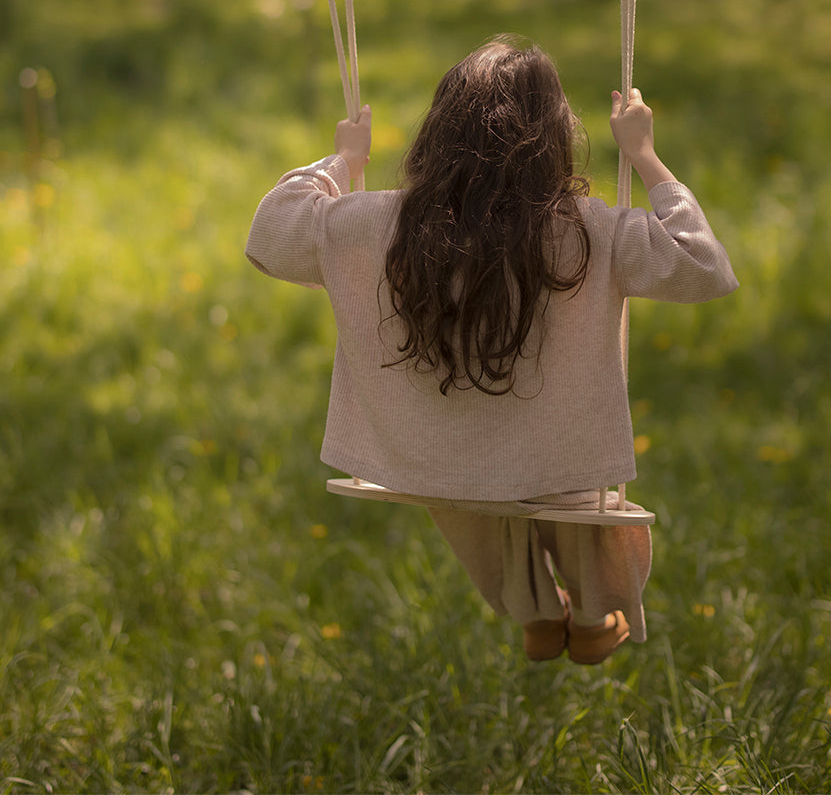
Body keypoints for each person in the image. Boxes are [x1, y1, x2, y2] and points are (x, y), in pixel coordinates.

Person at [246, 39, 737, 663]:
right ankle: (590, 618)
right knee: (579, 506)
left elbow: (271, 232)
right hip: (559, 460)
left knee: (472, 495)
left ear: (438, 134)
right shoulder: (590, 230)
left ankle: (535, 615)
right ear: (555, 138)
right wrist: (644, 156)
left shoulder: (376, 223)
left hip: (430, 456)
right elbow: (703, 268)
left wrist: (341, 161)